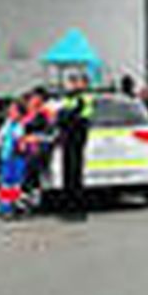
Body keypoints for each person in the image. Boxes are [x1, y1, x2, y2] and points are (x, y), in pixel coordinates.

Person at [56, 73, 95, 222]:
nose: (72, 85)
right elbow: (61, 116)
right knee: (68, 173)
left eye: (75, 82)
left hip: (77, 137)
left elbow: (79, 116)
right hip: (67, 137)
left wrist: (67, 116)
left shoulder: (84, 98)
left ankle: (78, 210)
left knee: (75, 173)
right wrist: (66, 116)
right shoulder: (68, 98)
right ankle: (68, 208)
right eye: (71, 83)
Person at [0, 102, 28, 219]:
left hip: (16, 157)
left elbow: (21, 142)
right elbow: (0, 137)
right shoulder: (7, 124)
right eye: (10, 110)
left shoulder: (20, 125)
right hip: (6, 156)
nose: (10, 112)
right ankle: (4, 206)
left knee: (14, 183)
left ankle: (13, 207)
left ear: (20, 113)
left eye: (13, 111)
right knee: (5, 182)